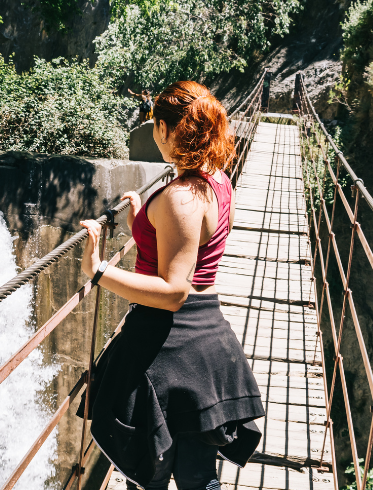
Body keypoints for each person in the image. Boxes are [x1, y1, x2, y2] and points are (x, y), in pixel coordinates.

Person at [78, 81, 264, 490]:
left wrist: (98, 269)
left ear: (164, 129)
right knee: (198, 475)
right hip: (206, 345)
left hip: (167, 346)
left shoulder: (180, 197)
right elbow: (191, 241)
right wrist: (143, 222)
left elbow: (174, 291)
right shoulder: (217, 180)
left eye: (153, 127)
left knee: (149, 474)